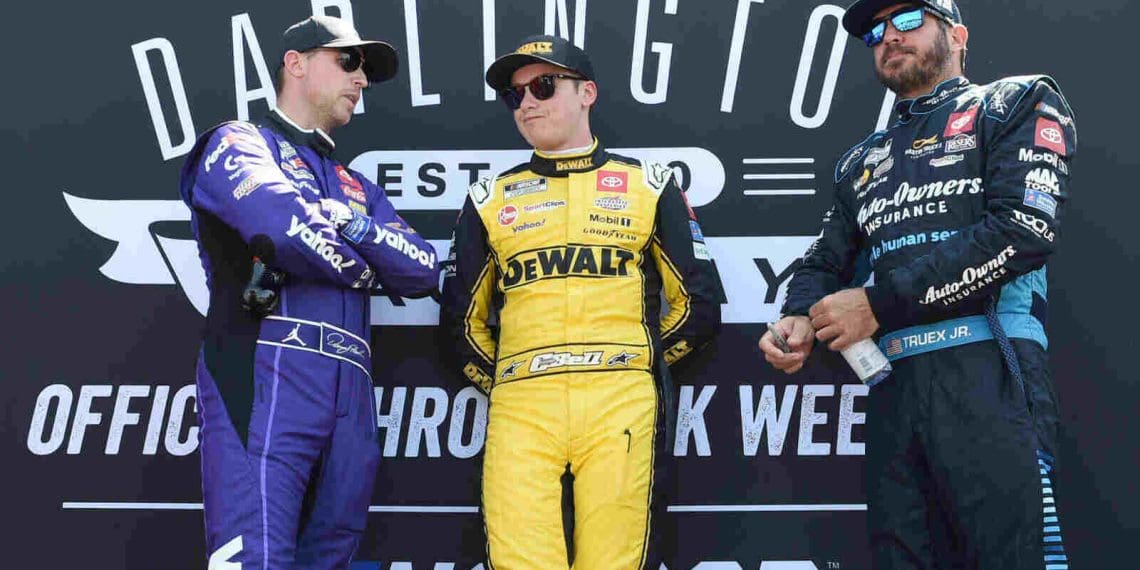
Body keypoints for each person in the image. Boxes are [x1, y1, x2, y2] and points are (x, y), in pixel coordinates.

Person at [759, 1, 1076, 567]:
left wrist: (878, 303)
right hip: (895, 390)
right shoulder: (862, 160)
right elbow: (823, 262)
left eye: (907, 20)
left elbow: (1022, 231)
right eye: (875, 31)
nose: (888, 37)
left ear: (957, 34)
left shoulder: (1012, 102)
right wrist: (798, 317)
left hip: (990, 368)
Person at [440, 35, 724, 569]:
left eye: (543, 86)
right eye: (515, 94)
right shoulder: (488, 198)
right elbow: (460, 324)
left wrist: (638, 367)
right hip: (521, 406)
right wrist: (505, 380)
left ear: (587, 92)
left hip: (621, 401)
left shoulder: (650, 185)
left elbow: (699, 307)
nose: (527, 102)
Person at [177, 15, 438, 569]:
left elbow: (422, 271)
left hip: (352, 394)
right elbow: (281, 228)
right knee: (258, 557)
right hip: (267, 373)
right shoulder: (239, 141)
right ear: (295, 64)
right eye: (348, 61)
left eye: (364, 68)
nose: (361, 78)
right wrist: (369, 268)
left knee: (332, 558)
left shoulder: (356, 186)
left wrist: (354, 224)